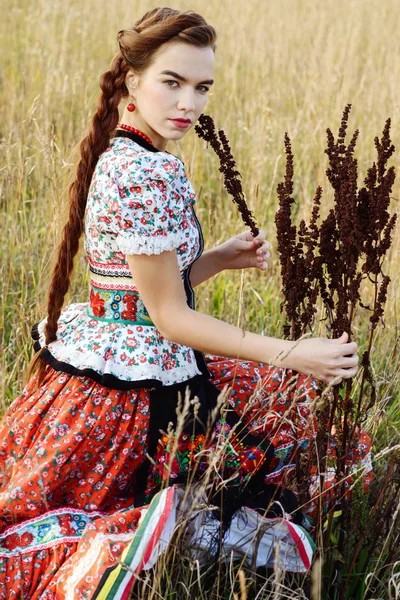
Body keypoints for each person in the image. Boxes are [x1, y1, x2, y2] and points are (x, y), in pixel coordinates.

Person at [0, 7, 372, 598]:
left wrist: (218, 258)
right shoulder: (149, 173)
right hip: (132, 388)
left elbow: (138, 291)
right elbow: (169, 317)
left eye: (202, 87)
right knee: (294, 417)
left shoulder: (125, 155)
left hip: (111, 358)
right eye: (172, 82)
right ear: (133, 81)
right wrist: (293, 353)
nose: (189, 102)